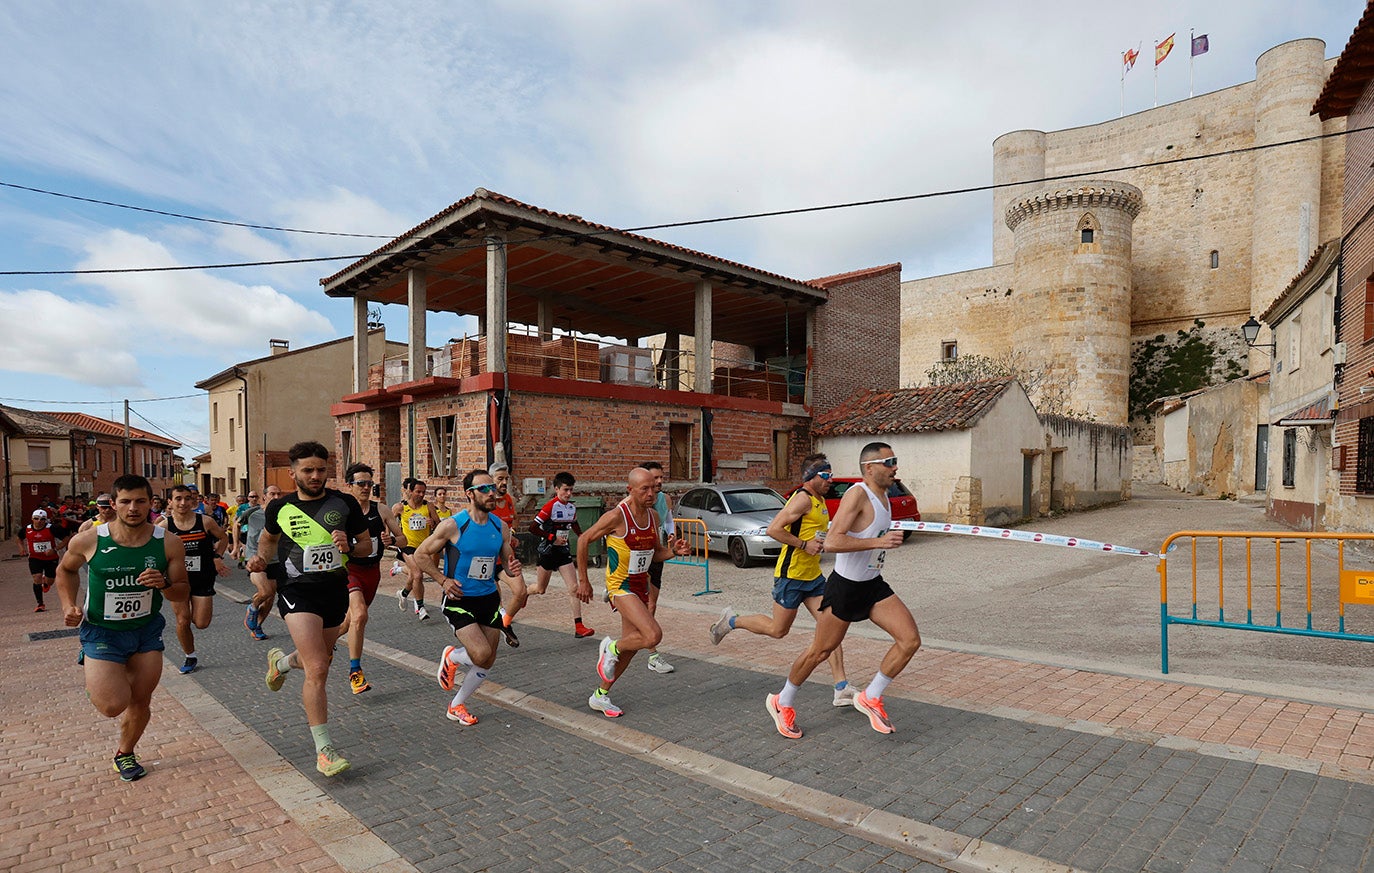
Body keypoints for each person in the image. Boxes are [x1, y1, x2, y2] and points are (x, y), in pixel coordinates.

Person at [764, 442, 920, 740]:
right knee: (820, 651)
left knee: (910, 640)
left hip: (872, 585)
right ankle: (781, 701)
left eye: (895, 461)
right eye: (889, 462)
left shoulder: (885, 497)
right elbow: (833, 543)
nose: (895, 467)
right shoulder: (856, 494)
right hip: (845, 587)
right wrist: (879, 542)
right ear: (869, 468)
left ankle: (870, 696)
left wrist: (881, 541)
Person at [247, 441, 370, 777]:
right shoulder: (279, 507)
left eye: (321, 469)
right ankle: (324, 751)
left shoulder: (343, 503)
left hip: (334, 589)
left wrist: (351, 545)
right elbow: (269, 541)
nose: (315, 476)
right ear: (293, 473)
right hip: (296, 590)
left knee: (319, 658)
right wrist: (260, 562)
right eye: (307, 470)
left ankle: (282, 663)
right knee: (318, 667)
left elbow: (366, 544)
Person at [56, 474, 189, 782]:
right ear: (113, 504)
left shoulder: (167, 542)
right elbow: (65, 570)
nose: (133, 508)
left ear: (151, 504)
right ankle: (95, 665)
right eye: (126, 502)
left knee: (141, 700)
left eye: (141, 501)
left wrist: (165, 584)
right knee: (112, 705)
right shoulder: (90, 539)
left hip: (145, 631)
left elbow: (182, 591)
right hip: (102, 631)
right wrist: (68, 605)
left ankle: (125, 753)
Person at [711, 454, 855, 706]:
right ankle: (731, 622)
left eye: (831, 475)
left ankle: (841, 687)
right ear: (810, 477)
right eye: (825, 475)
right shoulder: (802, 498)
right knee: (778, 630)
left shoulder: (820, 500)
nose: (830, 480)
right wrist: (803, 544)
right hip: (791, 576)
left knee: (830, 628)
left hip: (813, 578)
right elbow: (773, 529)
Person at [576, 468, 690, 718]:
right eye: (645, 489)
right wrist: (583, 581)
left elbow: (656, 553)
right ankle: (610, 648)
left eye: (654, 488)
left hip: (640, 586)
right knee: (652, 635)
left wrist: (674, 552)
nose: (652, 493)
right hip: (620, 586)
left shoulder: (653, 517)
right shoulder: (617, 516)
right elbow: (584, 539)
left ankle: (600, 695)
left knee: (631, 648)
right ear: (630, 490)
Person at [414, 469, 524, 726]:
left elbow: (506, 561)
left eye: (492, 488)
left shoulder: (501, 526)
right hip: (459, 600)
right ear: (469, 494)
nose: (491, 493)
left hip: (488, 599)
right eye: (484, 489)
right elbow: (420, 554)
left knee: (489, 659)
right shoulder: (454, 524)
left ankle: (456, 704)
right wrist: (443, 580)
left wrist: (512, 568)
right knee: (479, 653)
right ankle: (452, 657)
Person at [335, 463, 404, 694]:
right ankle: (355, 672)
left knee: (348, 623)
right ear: (349, 486)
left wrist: (392, 542)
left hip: (372, 572)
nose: (366, 488)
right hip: (350, 569)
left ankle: (319, 645)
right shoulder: (342, 511)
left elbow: (403, 539)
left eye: (369, 484)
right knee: (361, 615)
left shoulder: (381, 510)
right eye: (361, 483)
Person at [160, 484, 229, 674]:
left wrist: (218, 556)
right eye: (178, 499)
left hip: (203, 577)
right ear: (170, 502)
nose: (183, 502)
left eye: (187, 498)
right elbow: (152, 548)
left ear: (193, 501)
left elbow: (223, 538)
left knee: (201, 623)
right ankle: (190, 656)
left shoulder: (205, 521)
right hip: (176, 579)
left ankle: (189, 624)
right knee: (182, 620)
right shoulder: (164, 526)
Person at [529, 471, 595, 638]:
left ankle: (579, 626)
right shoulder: (550, 506)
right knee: (540, 589)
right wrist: (551, 537)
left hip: (563, 552)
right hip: (547, 552)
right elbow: (533, 528)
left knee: (574, 588)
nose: (568, 493)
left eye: (571, 490)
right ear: (556, 489)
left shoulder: (571, 508)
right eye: (565, 490)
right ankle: (524, 593)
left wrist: (582, 536)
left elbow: (574, 524)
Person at [638, 461, 675, 674]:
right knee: (643, 605)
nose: (659, 482)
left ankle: (620, 647)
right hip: (637, 557)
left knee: (651, 605)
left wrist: (671, 534)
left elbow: (668, 521)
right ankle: (653, 654)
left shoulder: (665, 500)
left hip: (656, 554)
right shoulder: (630, 504)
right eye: (654, 479)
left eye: (661, 478)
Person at [485, 462, 526, 648]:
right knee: (494, 600)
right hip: (486, 559)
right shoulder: (486, 503)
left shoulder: (509, 499)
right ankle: (498, 628)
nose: (503, 482)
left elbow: (514, 518)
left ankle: (505, 622)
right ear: (491, 480)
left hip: (506, 559)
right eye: (500, 479)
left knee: (521, 592)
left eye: (506, 479)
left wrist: (513, 535)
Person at [392, 477, 436, 620]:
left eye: (423, 492)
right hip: (407, 545)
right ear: (410, 491)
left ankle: (403, 593)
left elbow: (438, 523)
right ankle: (421, 607)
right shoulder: (400, 507)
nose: (421, 495)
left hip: (423, 547)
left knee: (413, 575)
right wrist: (390, 538)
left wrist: (432, 522)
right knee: (417, 575)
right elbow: (387, 522)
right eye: (418, 492)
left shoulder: (428, 506)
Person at [243, 484, 280, 639]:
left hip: (276, 560)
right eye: (272, 494)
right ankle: (253, 607)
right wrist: (237, 545)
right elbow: (237, 524)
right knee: (266, 591)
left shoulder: (283, 514)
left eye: (279, 494)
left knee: (270, 598)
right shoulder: (253, 512)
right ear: (264, 496)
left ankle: (257, 626)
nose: (276, 497)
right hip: (255, 559)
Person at [21, 509, 63, 612]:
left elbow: (66, 538)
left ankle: (46, 582)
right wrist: (21, 548)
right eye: (36, 519)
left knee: (50, 581)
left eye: (42, 519)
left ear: (46, 520)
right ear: (32, 519)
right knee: (36, 578)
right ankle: (40, 604)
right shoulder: (27, 529)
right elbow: (18, 538)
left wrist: (55, 550)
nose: (39, 521)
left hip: (51, 559)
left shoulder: (52, 528)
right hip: (35, 558)